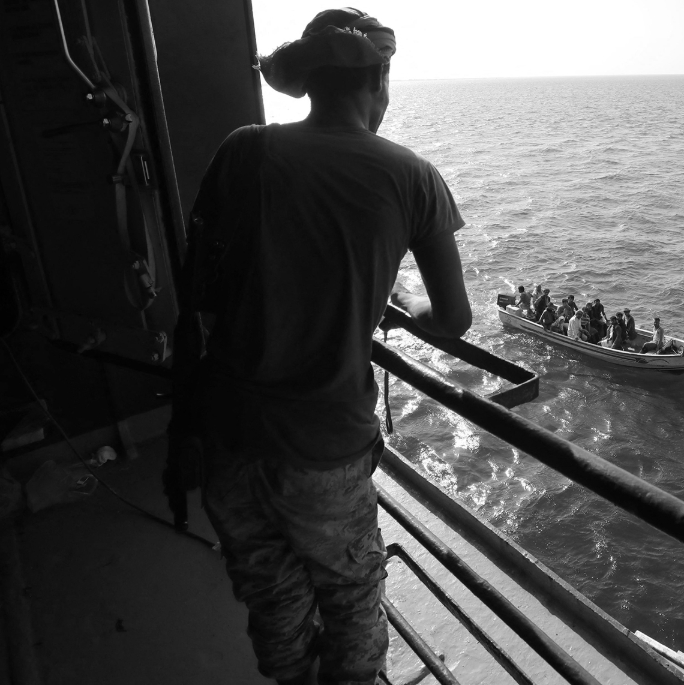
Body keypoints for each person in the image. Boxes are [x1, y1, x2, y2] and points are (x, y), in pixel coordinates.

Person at [180, 10, 470, 685]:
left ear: (309, 80)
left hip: (228, 433)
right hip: (323, 448)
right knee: (352, 597)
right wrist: (394, 309)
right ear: (379, 79)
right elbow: (452, 318)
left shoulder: (243, 149)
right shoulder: (411, 176)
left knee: (273, 595)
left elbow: (201, 293)